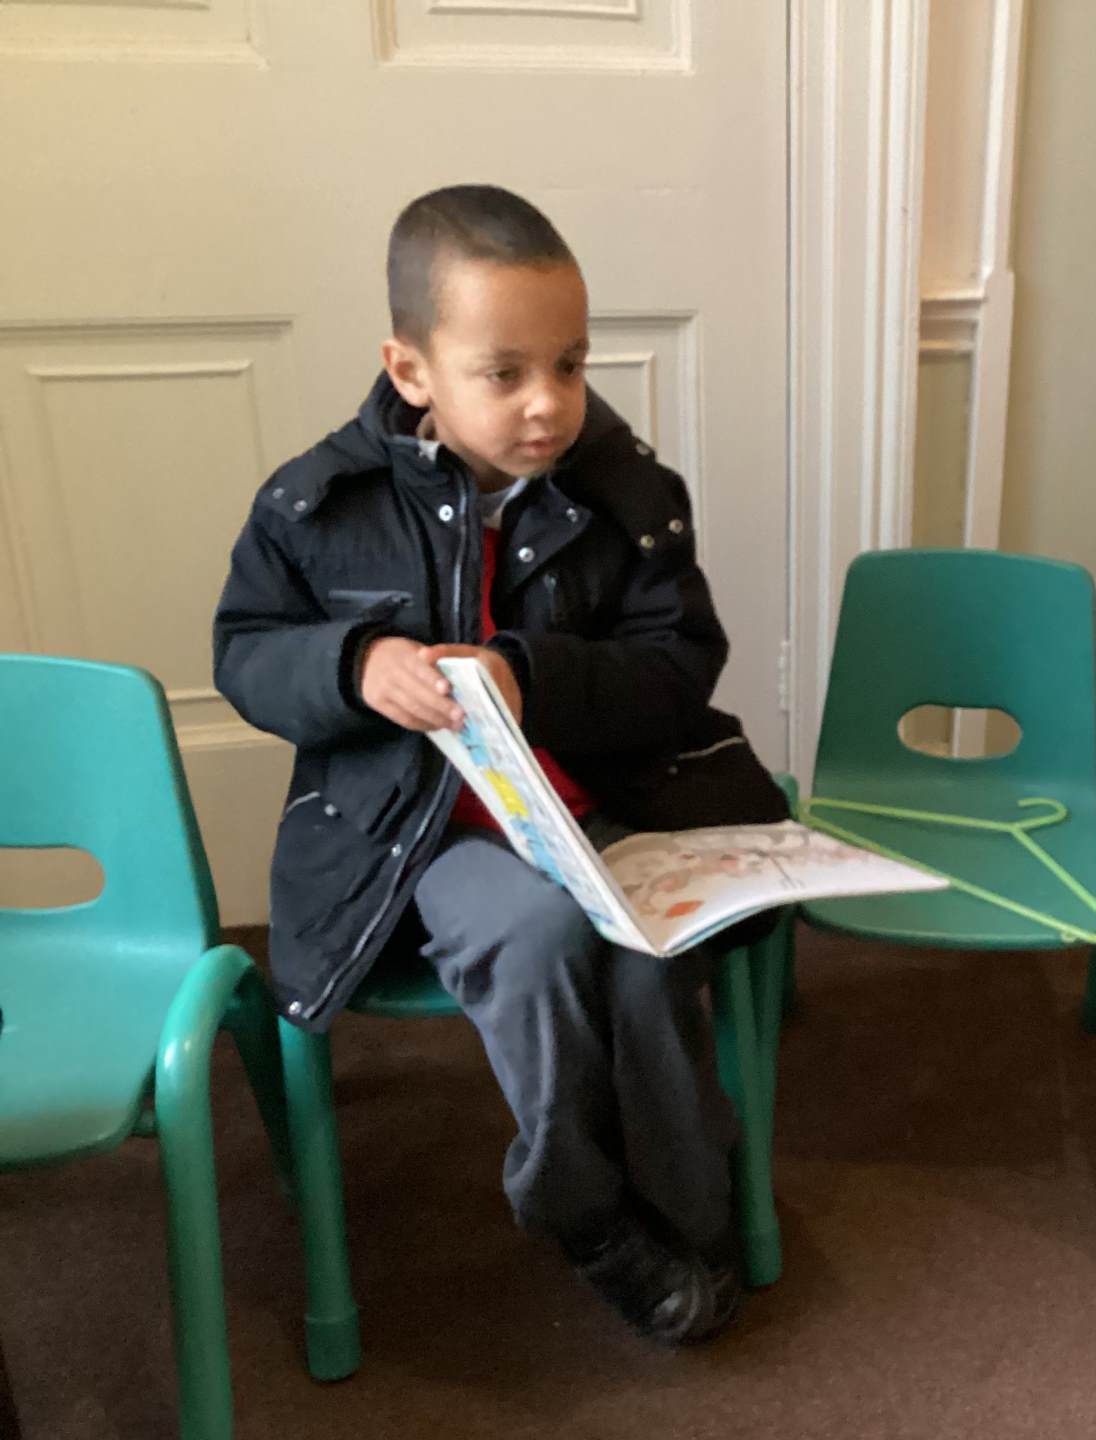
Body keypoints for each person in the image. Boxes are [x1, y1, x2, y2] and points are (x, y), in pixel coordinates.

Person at [214, 184, 785, 1341]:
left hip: (606, 808)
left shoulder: (629, 497)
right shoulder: (318, 503)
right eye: (505, 372)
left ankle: (686, 1207)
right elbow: (245, 652)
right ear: (412, 369)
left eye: (569, 365)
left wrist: (536, 676)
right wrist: (353, 664)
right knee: (537, 938)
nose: (548, 402)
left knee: (650, 957)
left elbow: (679, 667)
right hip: (427, 834)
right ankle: (584, 1210)